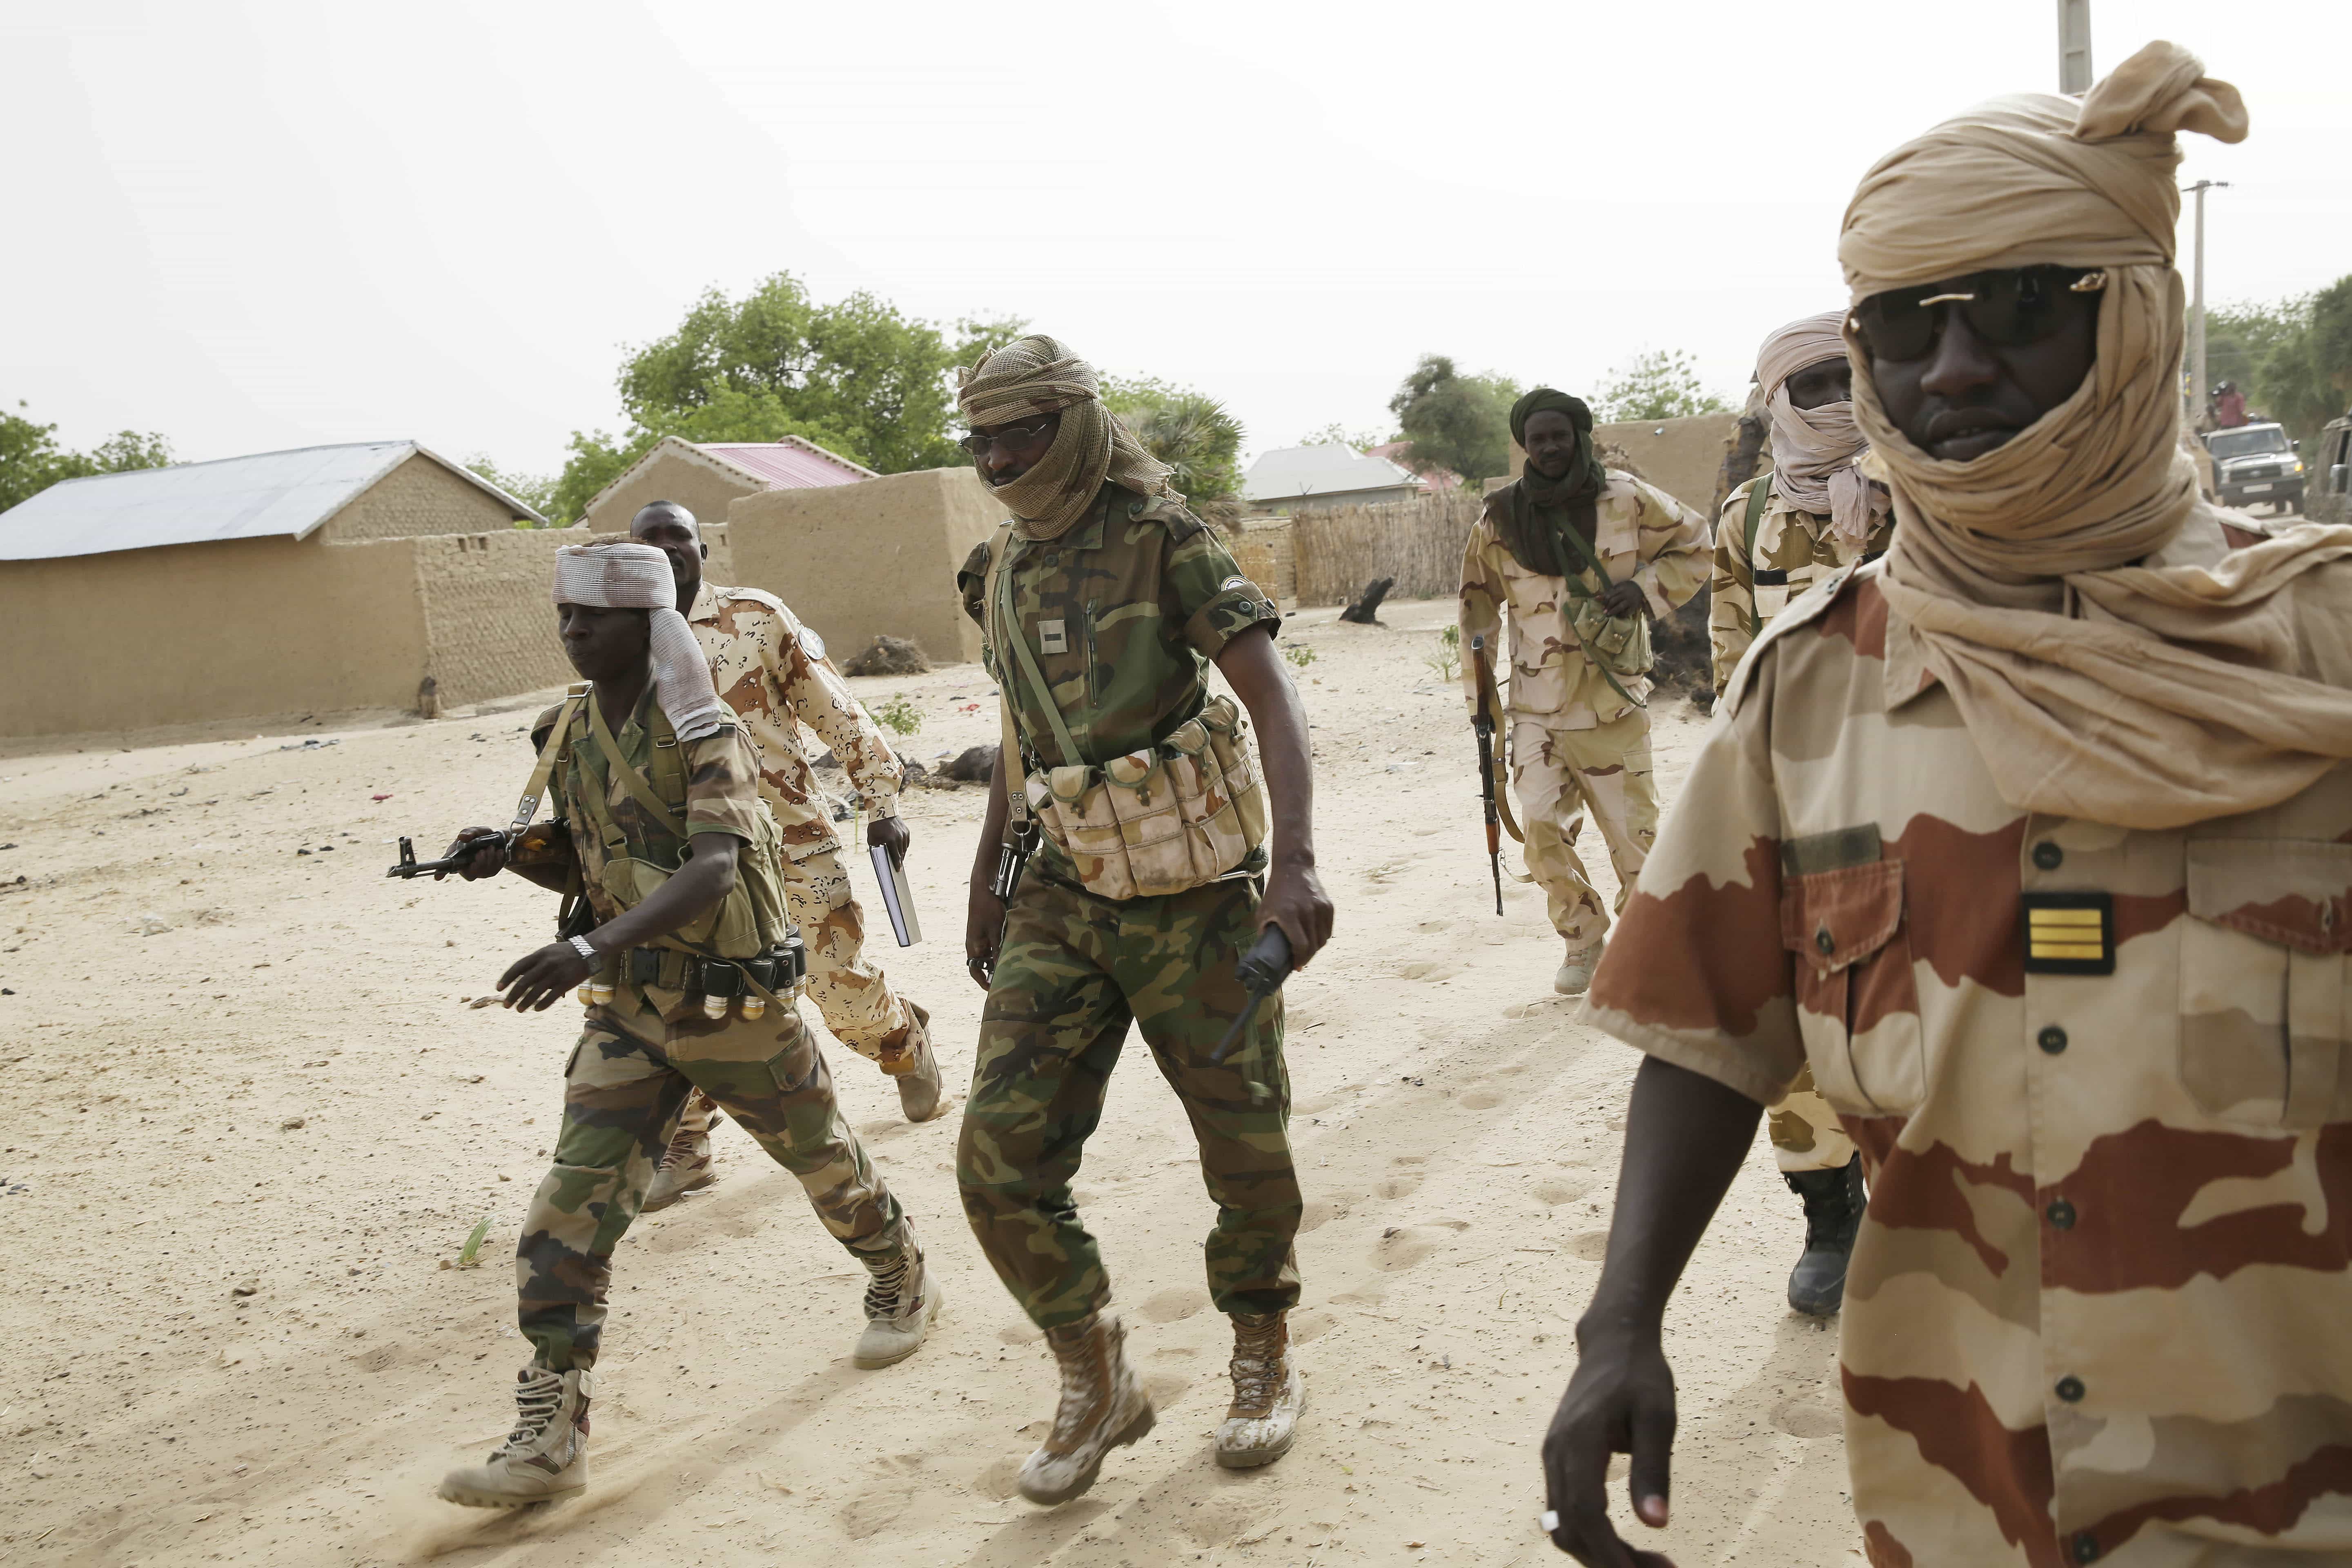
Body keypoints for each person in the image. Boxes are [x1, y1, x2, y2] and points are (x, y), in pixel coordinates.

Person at [1537, 45, 2352, 1566]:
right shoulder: (1814, 690)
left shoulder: (2321, 649)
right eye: (1905, 328)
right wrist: (1620, 1324)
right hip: (1965, 1503)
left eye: (2025, 309)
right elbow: (1710, 1037)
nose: (1954, 370)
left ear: (2140, 315)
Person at [431, 541, 938, 1510]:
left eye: (592, 617)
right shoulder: (569, 728)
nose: (572, 632)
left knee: (828, 1166)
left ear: (647, 623)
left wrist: (580, 951)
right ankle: (550, 1431)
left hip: (732, 1003)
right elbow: (586, 863)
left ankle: (901, 1276)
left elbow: (711, 868)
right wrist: (510, 857)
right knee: (566, 1213)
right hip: (629, 1008)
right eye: (565, 615)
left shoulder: (707, 730)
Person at [952, 335, 1333, 1505]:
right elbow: (1023, 733)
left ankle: (1262, 1351)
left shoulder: (1164, 540)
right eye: (981, 439)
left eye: (1022, 432)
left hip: (1196, 896)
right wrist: (986, 874)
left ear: (1072, 424)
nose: (1001, 457)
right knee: (998, 1160)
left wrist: (1298, 869)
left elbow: (1269, 693)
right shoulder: (1000, 568)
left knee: (1244, 1141)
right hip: (1063, 896)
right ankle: (1095, 1368)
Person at [626, 500, 944, 1218]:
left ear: (702, 548)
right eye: (651, 542)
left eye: (681, 538)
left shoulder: (755, 617)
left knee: (838, 989)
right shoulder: (621, 638)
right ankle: (688, 1145)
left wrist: (881, 802)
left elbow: (835, 711)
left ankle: (901, 1039)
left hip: (793, 843)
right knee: (696, 1000)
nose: (668, 551)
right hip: (694, 858)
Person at [1707, 312, 1893, 1317]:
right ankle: (1830, 1212)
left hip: (1928, 795)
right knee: (1793, 1017)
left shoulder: (1942, 495)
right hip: (1800, 805)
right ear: (1776, 397)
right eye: (1807, 382)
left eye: (1844, 376)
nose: (1828, 398)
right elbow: (1734, 675)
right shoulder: (1743, 523)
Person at [1458, 390, 1710, 996]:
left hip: (1610, 704)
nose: (1549, 448)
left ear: (1579, 437)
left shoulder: (1623, 499)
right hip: (1536, 709)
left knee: (1636, 839)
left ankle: (1651, 946)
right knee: (1541, 833)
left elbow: (1697, 545)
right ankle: (1582, 938)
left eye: (1560, 437)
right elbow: (1476, 612)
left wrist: (1645, 590)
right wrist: (1481, 709)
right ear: (1524, 444)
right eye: (1537, 439)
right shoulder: (1499, 519)